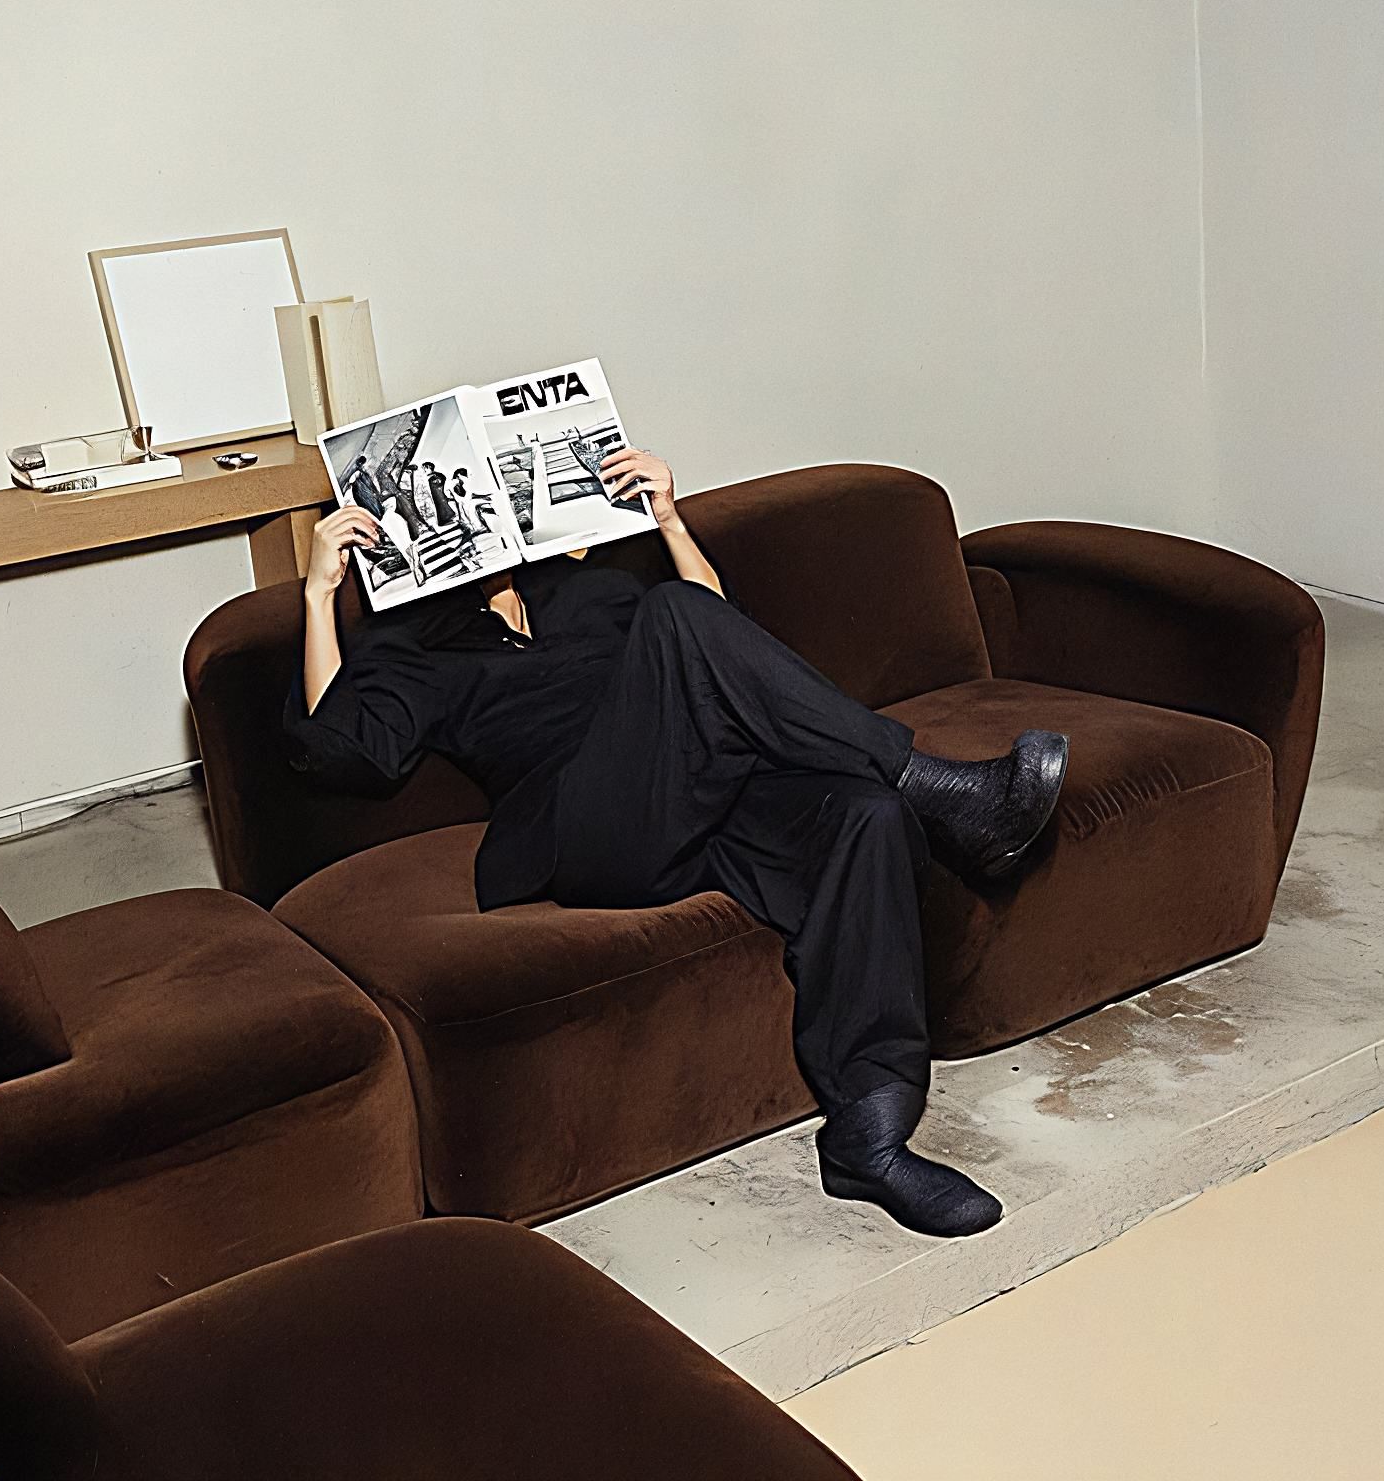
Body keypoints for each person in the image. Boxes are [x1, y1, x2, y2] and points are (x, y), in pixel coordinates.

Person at [288, 447, 1069, 1240]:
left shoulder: (588, 587)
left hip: (700, 795)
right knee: (673, 615)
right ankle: (941, 790)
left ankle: (871, 1132)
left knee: (865, 819)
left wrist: (668, 518)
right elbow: (337, 747)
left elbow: (723, 634)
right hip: (587, 828)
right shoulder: (418, 643)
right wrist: (320, 592)